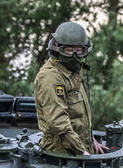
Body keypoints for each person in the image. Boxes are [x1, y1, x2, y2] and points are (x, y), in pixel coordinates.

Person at [34, 21, 105, 155]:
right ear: (57, 49)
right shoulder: (51, 77)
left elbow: (79, 116)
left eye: (79, 50)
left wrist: (91, 140)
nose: (74, 55)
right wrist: (82, 151)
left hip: (79, 146)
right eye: (69, 50)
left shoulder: (74, 72)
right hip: (62, 153)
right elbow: (58, 122)